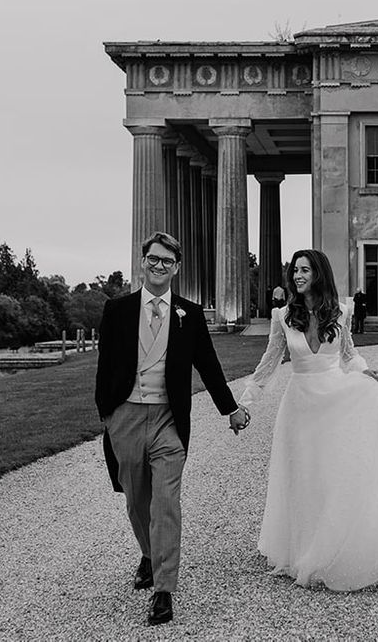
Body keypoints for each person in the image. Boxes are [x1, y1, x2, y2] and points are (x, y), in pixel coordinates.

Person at [238, 249, 378, 591]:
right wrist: (245, 401)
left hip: (336, 401)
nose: (297, 275)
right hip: (300, 405)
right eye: (294, 270)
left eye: (304, 270)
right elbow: (270, 362)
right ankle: (302, 549)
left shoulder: (342, 311)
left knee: (334, 474)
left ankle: (332, 548)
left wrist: (365, 373)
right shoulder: (283, 315)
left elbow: (348, 354)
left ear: (319, 273)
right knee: (303, 475)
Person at [95, 232, 249, 626]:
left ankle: (164, 590)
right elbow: (105, 367)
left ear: (176, 268)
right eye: (154, 259)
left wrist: (229, 409)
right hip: (125, 416)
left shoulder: (189, 314)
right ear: (143, 262)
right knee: (136, 500)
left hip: (168, 420)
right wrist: (108, 417)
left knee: (165, 503)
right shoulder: (117, 310)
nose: (159, 266)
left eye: (167, 261)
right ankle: (148, 554)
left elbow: (209, 367)